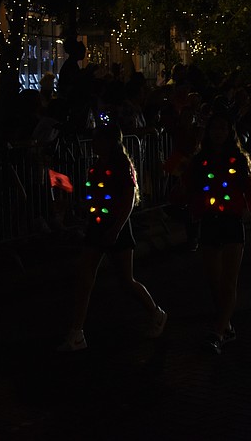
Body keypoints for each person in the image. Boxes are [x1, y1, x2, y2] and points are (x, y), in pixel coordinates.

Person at [57, 122, 166, 351]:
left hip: (115, 227)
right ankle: (77, 332)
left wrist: (116, 229)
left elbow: (127, 202)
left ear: (109, 142)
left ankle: (156, 312)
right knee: (85, 277)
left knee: (126, 280)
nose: (94, 143)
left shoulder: (121, 167)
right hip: (97, 226)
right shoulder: (98, 164)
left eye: (98, 139)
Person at [184, 112, 251, 354]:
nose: (218, 133)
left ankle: (218, 332)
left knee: (228, 280)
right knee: (214, 280)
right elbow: (187, 187)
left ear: (229, 132)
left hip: (231, 222)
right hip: (210, 222)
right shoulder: (200, 160)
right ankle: (226, 324)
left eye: (223, 128)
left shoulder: (239, 160)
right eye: (214, 128)